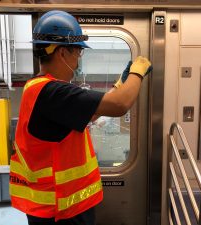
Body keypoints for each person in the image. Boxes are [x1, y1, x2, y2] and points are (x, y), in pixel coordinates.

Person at [9, 10, 152, 225]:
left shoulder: (40, 89)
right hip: (60, 212)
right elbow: (121, 104)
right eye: (78, 53)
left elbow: (92, 112)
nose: (77, 61)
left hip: (61, 208)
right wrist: (137, 73)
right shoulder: (52, 92)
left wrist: (119, 85)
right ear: (62, 53)